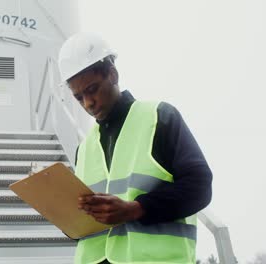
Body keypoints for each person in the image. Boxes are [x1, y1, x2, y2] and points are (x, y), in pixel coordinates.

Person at [58, 32, 212, 264]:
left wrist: (136, 209)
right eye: (79, 97)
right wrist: (69, 220)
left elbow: (199, 187)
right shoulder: (85, 148)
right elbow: (84, 228)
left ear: (113, 74)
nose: (88, 103)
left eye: (92, 89)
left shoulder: (159, 117)